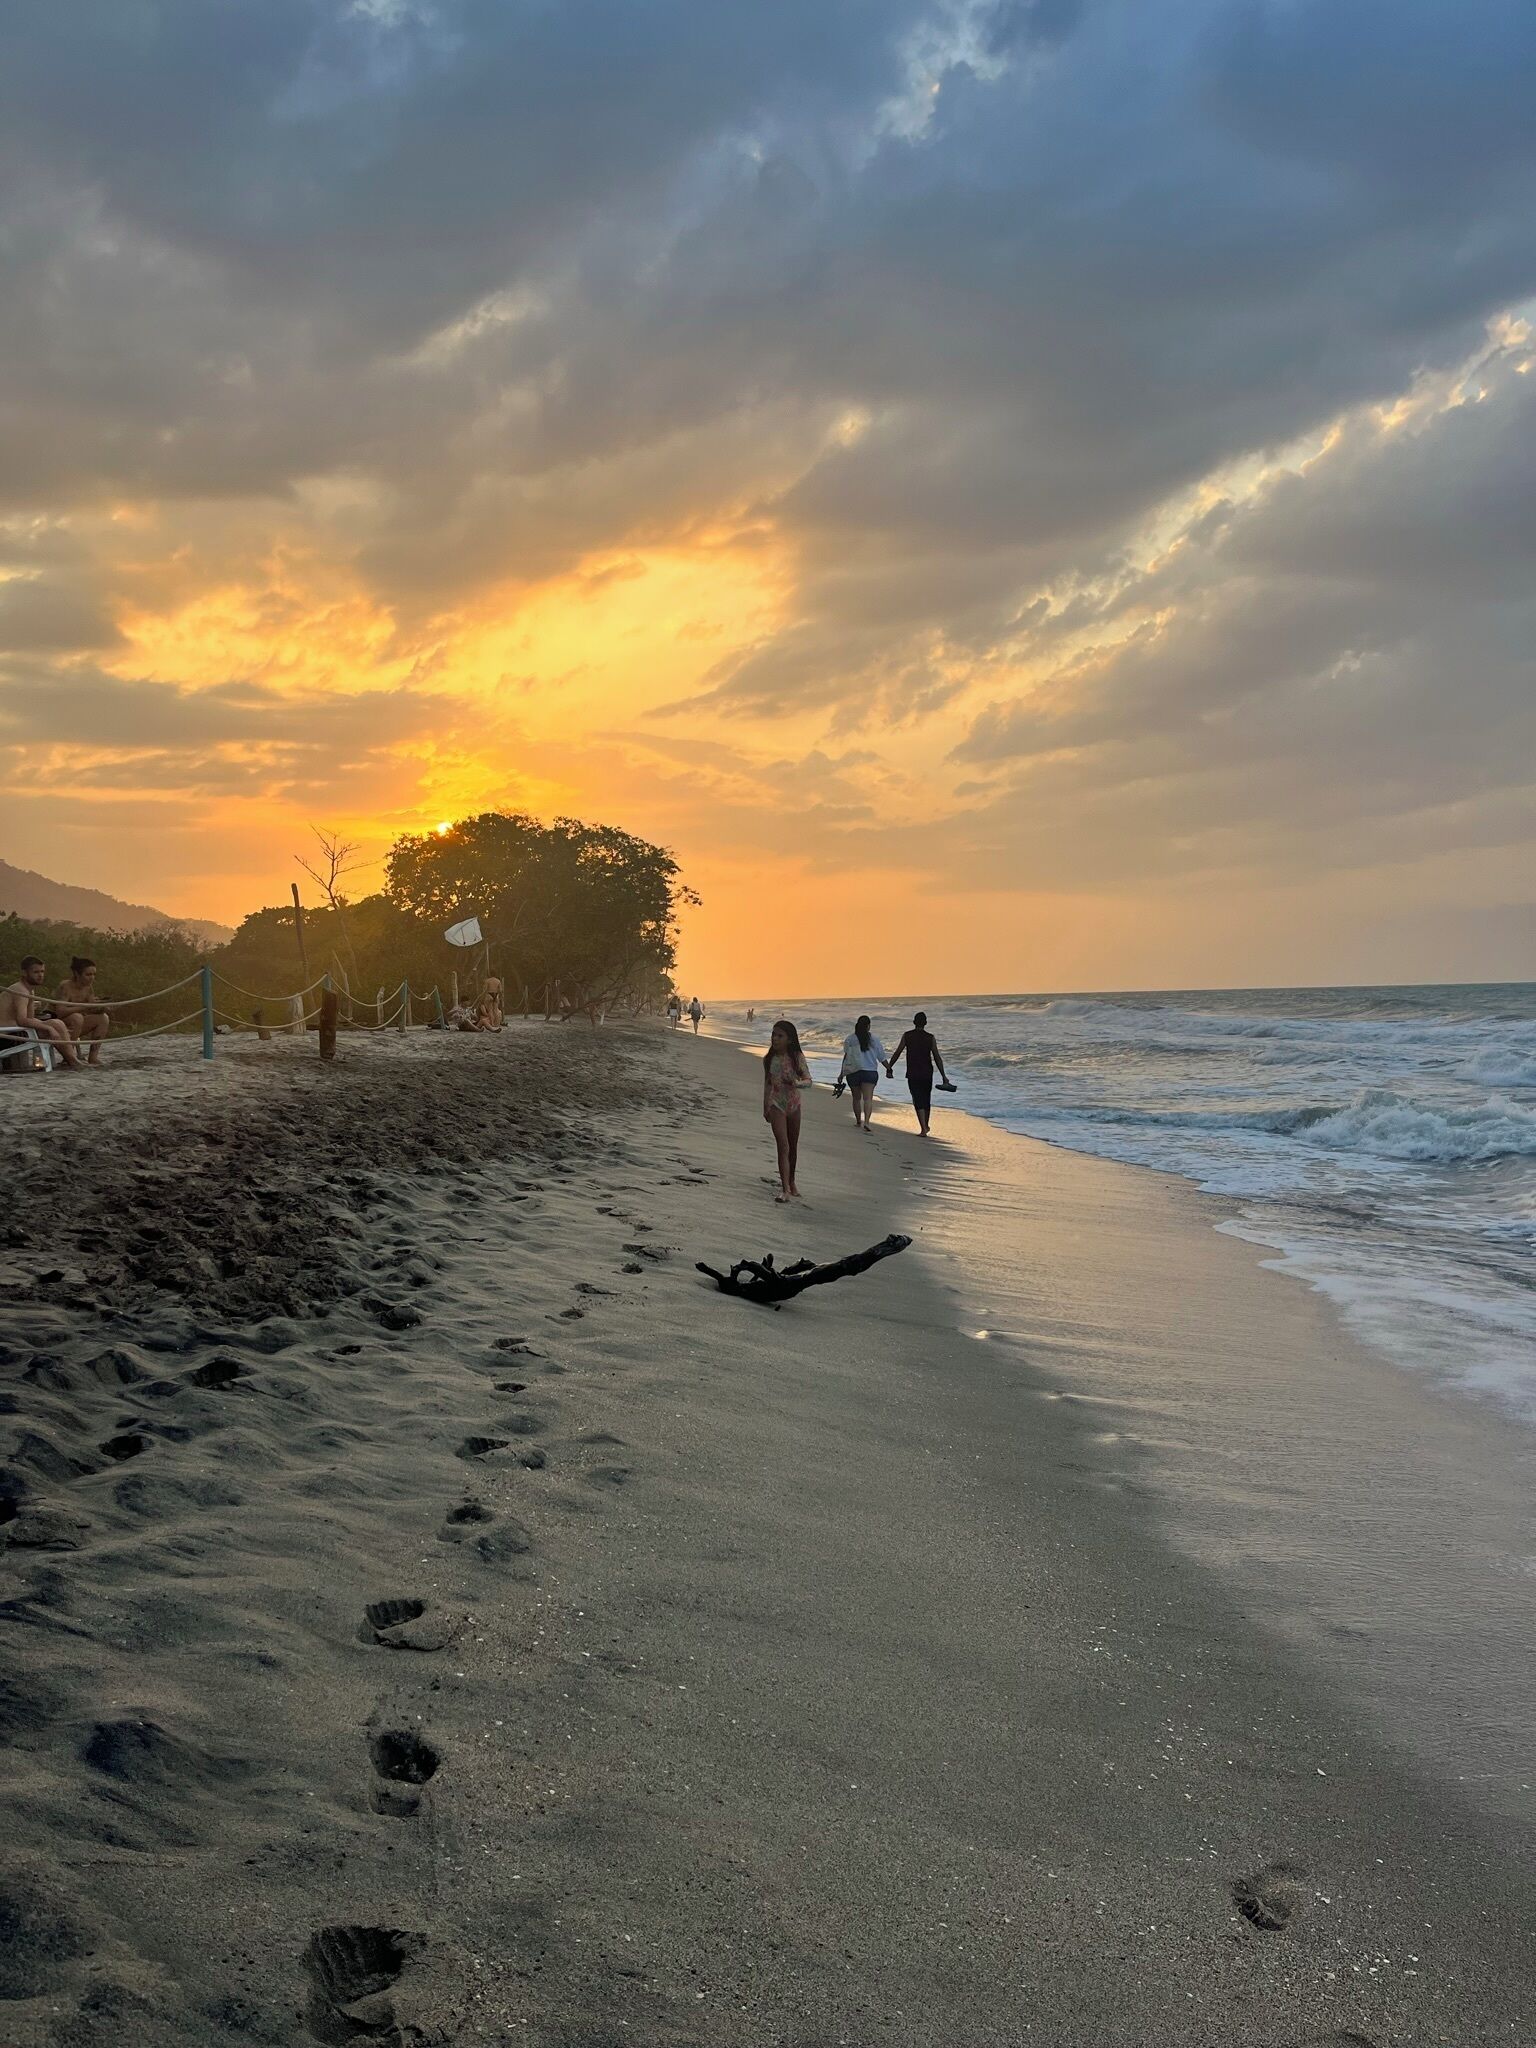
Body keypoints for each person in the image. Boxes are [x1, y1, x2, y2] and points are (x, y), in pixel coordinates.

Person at [762, 1019, 813, 1201]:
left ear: (789, 1039)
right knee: (782, 1146)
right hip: (776, 1104)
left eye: (780, 1036)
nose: (775, 1039)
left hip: (794, 1105)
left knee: (792, 1146)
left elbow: (808, 1081)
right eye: (773, 1035)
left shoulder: (796, 1057)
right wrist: (765, 1106)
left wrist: (797, 1083)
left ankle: (792, 1181)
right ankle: (784, 1189)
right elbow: (768, 1084)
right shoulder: (769, 1059)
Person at [1, 957, 80, 1071]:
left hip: (17, 1032)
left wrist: (50, 1026)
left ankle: (72, 1061)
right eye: (36, 972)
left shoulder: (29, 990)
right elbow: (22, 1020)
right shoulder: (20, 990)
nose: (40, 975)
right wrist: (49, 1028)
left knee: (56, 1023)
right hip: (6, 1037)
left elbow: (30, 1018)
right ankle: (73, 1062)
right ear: (24, 972)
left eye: (42, 971)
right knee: (54, 1025)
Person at [886, 1010, 949, 1137]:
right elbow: (937, 1057)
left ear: (914, 1022)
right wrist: (943, 1075)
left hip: (913, 1072)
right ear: (925, 1023)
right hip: (927, 1073)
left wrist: (889, 1067)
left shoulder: (907, 1035)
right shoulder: (930, 1037)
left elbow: (898, 1052)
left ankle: (923, 1128)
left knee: (917, 1099)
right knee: (926, 1099)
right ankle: (925, 1125)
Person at [55, 957, 110, 1066]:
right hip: (59, 1025)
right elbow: (60, 1011)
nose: (92, 978)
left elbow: (91, 1007)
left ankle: (93, 1057)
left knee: (103, 1018)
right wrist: (84, 1007)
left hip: (77, 1025)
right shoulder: (65, 986)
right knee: (77, 1017)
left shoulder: (88, 987)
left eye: (94, 975)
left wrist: (102, 1006)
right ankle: (69, 1057)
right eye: (88, 975)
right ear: (77, 974)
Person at [839, 1014, 888, 1131]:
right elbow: (881, 1057)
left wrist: (841, 1073)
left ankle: (858, 1121)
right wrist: (889, 1068)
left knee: (856, 1098)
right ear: (868, 1026)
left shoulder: (850, 1039)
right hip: (870, 1072)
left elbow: (846, 1057)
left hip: (853, 1072)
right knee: (868, 1099)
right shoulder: (874, 1039)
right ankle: (867, 1122)